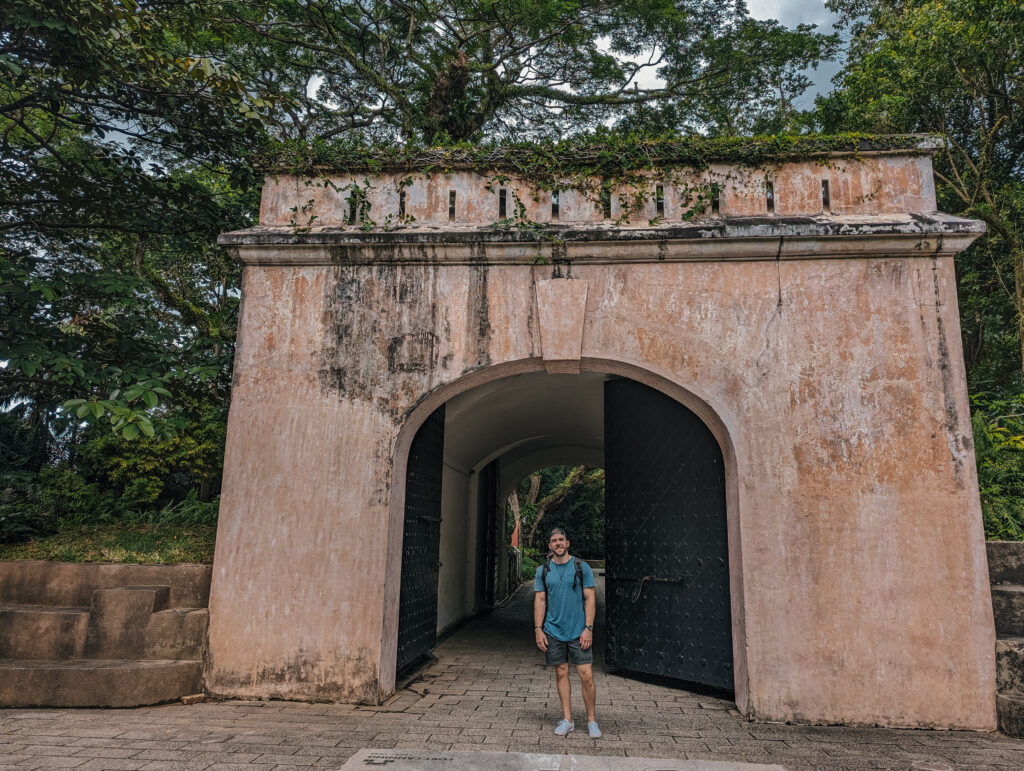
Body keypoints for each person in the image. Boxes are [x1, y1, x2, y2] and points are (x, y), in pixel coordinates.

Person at [533, 527, 600, 738]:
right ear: (550, 546)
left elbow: (590, 599)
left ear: (567, 543)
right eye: (554, 541)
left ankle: (591, 721)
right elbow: (540, 600)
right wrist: (538, 629)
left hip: (579, 631)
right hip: (553, 630)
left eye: (561, 540)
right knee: (561, 672)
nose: (558, 543)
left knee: (586, 675)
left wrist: (588, 628)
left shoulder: (582, 567)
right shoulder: (543, 570)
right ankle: (567, 720)